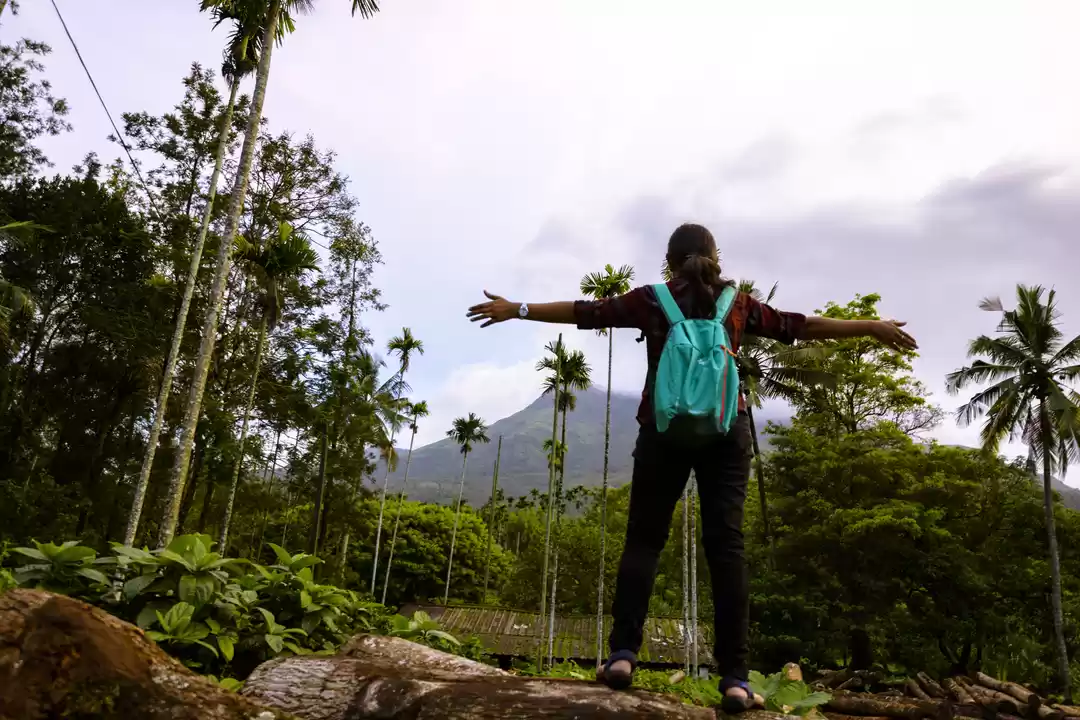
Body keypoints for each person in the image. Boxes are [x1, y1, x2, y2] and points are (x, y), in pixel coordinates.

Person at [466, 223, 917, 711]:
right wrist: (870, 327)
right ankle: (736, 680)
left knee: (644, 539)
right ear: (715, 257)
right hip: (728, 430)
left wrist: (519, 309)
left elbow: (586, 312)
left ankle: (622, 655)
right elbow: (800, 325)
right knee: (727, 549)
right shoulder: (738, 304)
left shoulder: (653, 299)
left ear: (669, 261)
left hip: (663, 430)